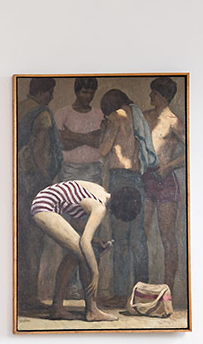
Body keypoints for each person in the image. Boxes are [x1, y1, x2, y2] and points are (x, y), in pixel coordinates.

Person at [30, 180, 142, 322]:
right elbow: (84, 242)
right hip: (44, 206)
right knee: (83, 254)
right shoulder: (100, 207)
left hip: (43, 201)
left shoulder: (100, 191)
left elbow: (75, 222)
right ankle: (92, 311)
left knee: (77, 253)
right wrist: (95, 273)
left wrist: (95, 240)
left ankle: (57, 308)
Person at [97, 89, 154, 304]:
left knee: (121, 239)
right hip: (136, 178)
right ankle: (142, 292)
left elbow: (104, 150)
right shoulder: (136, 115)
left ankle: (121, 294)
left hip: (120, 178)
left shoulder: (115, 117)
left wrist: (103, 130)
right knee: (138, 238)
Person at [16, 78, 62, 310]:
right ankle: (31, 295)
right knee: (34, 238)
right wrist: (47, 179)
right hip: (34, 179)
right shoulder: (42, 115)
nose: (52, 97)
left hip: (18, 178)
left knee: (21, 237)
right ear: (43, 92)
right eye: (50, 92)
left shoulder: (19, 107)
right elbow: (38, 151)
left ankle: (20, 293)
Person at [142, 77, 188, 295]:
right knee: (141, 234)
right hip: (144, 178)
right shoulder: (145, 117)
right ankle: (140, 288)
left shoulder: (174, 121)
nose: (151, 96)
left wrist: (169, 166)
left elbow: (193, 150)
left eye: (154, 93)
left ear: (163, 96)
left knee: (167, 236)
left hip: (165, 180)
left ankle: (167, 290)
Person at [53, 77, 104, 185]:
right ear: (76, 92)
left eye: (91, 93)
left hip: (94, 169)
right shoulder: (62, 113)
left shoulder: (99, 114)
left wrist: (71, 135)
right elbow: (63, 144)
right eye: (84, 92)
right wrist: (90, 137)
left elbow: (100, 142)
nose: (88, 96)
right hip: (69, 169)